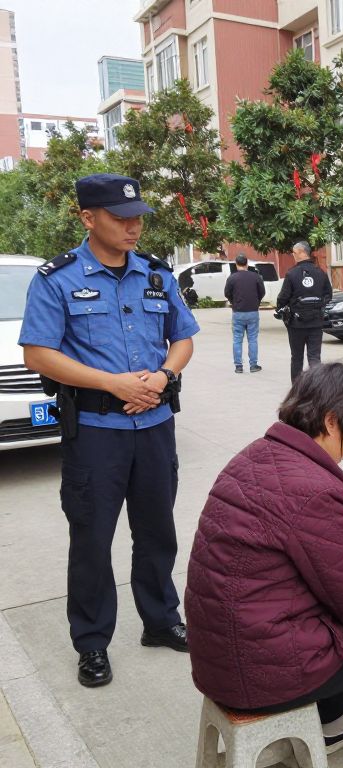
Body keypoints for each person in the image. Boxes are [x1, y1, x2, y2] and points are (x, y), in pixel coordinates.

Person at [185, 362, 343, 768]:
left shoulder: (255, 457)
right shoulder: (317, 488)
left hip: (221, 657)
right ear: (329, 421)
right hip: (261, 672)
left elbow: (282, 560)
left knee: (326, 605)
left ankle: (336, 723)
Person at [18, 172, 199, 688]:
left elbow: (183, 338)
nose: (133, 227)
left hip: (156, 425)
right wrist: (112, 383)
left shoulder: (157, 276)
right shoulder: (57, 278)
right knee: (92, 539)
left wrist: (164, 375)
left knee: (157, 530)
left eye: (137, 217)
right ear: (87, 218)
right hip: (96, 432)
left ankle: (161, 620)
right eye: (121, 218)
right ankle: (92, 642)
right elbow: (38, 353)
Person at [277, 240, 332, 382]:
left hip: (296, 323)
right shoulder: (320, 273)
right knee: (314, 357)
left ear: (302, 253)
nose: (293, 256)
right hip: (316, 322)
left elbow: (283, 298)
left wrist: (281, 310)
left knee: (297, 357)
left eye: (294, 253)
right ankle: (317, 387)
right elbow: (328, 295)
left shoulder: (292, 274)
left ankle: (297, 389)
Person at [224, 252, 264, 373]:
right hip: (253, 311)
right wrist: (256, 302)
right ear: (247, 263)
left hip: (238, 312)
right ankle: (253, 365)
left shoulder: (232, 278)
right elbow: (262, 292)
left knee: (237, 339)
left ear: (236, 264)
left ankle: (238, 366)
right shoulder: (256, 277)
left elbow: (227, 293)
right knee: (252, 339)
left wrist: (234, 302)